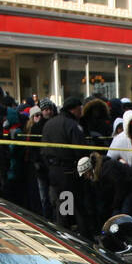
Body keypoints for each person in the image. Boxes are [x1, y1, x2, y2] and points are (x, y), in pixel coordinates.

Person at [42, 96, 91, 237]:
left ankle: (65, 234)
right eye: (80, 108)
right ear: (74, 109)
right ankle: (82, 237)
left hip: (54, 171)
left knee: (63, 206)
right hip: (68, 172)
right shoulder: (71, 125)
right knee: (77, 207)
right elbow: (80, 150)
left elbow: (43, 151)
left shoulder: (50, 124)